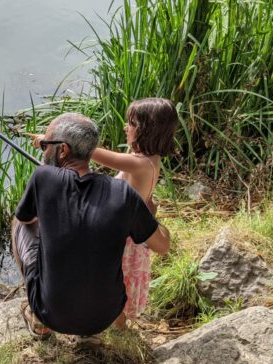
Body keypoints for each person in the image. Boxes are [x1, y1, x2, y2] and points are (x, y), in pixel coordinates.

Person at [12, 112, 170, 339]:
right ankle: (90, 335)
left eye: (46, 145)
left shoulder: (43, 177)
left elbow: (27, 219)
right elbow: (163, 246)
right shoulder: (123, 194)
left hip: (52, 314)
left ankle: (39, 322)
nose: (44, 150)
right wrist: (151, 216)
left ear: (63, 150)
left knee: (19, 220)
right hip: (104, 318)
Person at [90, 98, 179, 327]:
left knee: (117, 284)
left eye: (131, 123)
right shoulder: (151, 160)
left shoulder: (138, 164)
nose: (125, 127)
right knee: (119, 284)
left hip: (124, 239)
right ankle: (118, 328)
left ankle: (119, 332)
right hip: (132, 233)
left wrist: (55, 142)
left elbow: (91, 152)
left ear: (145, 130)